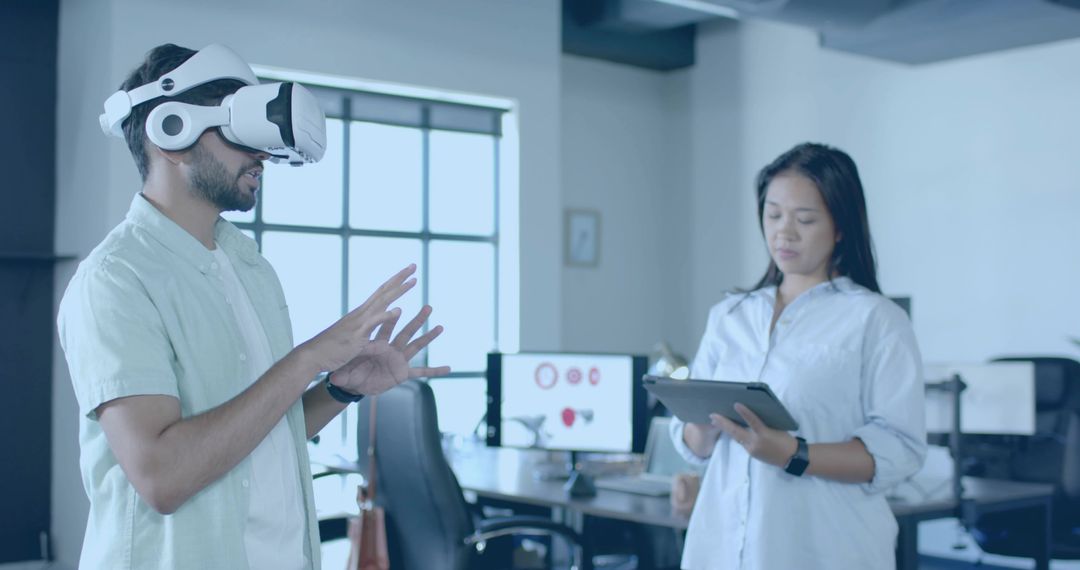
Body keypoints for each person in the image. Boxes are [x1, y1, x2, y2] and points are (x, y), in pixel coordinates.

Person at [57, 43, 450, 570]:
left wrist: (339, 388)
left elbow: (262, 433)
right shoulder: (116, 281)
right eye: (241, 132)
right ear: (171, 134)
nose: (262, 154)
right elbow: (162, 476)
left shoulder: (249, 268)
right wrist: (308, 358)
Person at [669, 142, 927, 569]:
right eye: (773, 215)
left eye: (804, 219)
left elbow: (900, 450)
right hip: (721, 549)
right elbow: (697, 443)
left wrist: (793, 453)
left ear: (841, 226)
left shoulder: (876, 320)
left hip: (826, 548)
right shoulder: (729, 315)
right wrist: (699, 425)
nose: (783, 233)